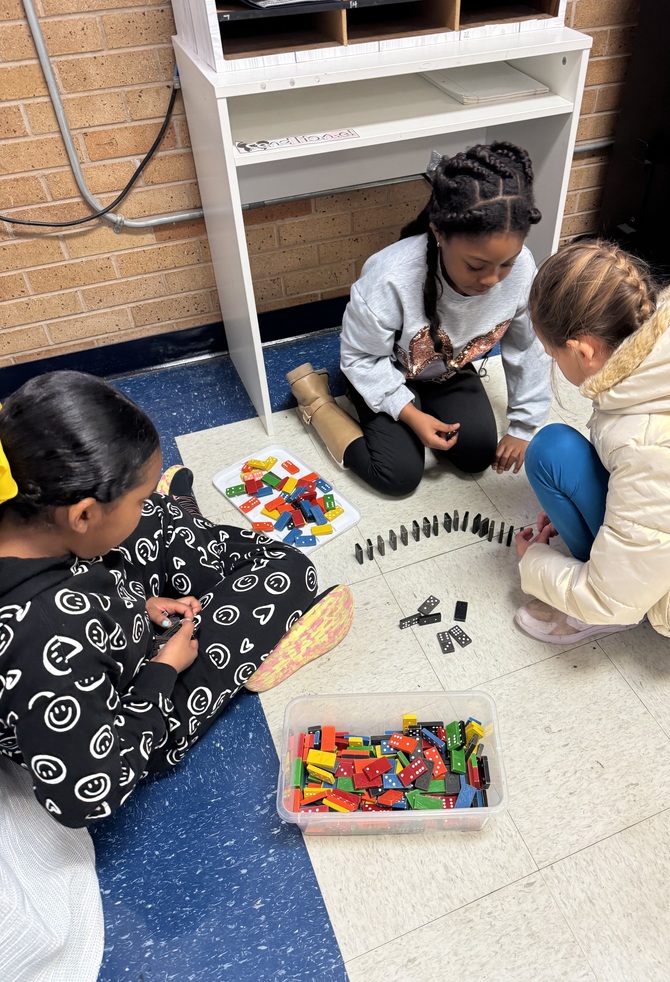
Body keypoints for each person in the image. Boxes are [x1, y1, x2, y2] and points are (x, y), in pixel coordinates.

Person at [0, 371, 353, 828]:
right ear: (82, 515)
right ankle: (262, 653)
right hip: (137, 707)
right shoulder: (44, 637)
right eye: (135, 497)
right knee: (288, 571)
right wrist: (162, 671)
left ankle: (178, 522)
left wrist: (135, 602)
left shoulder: (23, 510)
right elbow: (85, 795)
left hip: (107, 614)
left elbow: (84, 580)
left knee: (157, 519)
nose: (141, 505)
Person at [513, 240, 670, 644]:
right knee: (563, 453)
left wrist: (536, 562)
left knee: (552, 451)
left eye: (552, 354)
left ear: (585, 350)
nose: (553, 365)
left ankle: (609, 618)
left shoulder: (656, 447)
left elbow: (608, 596)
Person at [286, 142, 551, 496]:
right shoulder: (388, 277)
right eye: (475, 265)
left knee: (476, 455)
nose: (491, 280)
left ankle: (430, 397)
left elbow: (529, 347)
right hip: (383, 369)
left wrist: (523, 427)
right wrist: (409, 413)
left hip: (447, 368)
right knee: (398, 477)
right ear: (439, 233)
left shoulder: (522, 272)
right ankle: (315, 399)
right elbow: (361, 359)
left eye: (507, 263)